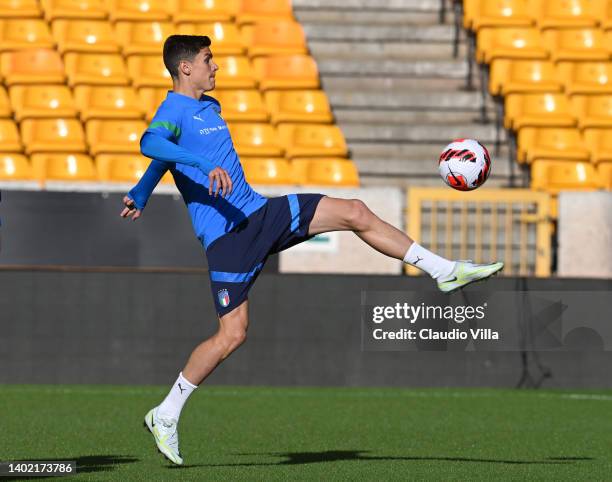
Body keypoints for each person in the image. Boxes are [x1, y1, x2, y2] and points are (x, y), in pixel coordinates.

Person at [121, 35, 504, 465]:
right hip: (228, 240)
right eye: (209, 60)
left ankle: (442, 269)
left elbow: (165, 156)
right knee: (233, 334)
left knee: (355, 212)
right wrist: (176, 175)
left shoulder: (211, 107)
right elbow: (152, 145)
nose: (217, 67)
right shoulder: (173, 109)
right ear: (185, 68)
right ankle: (167, 413)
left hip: (260, 213)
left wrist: (141, 191)